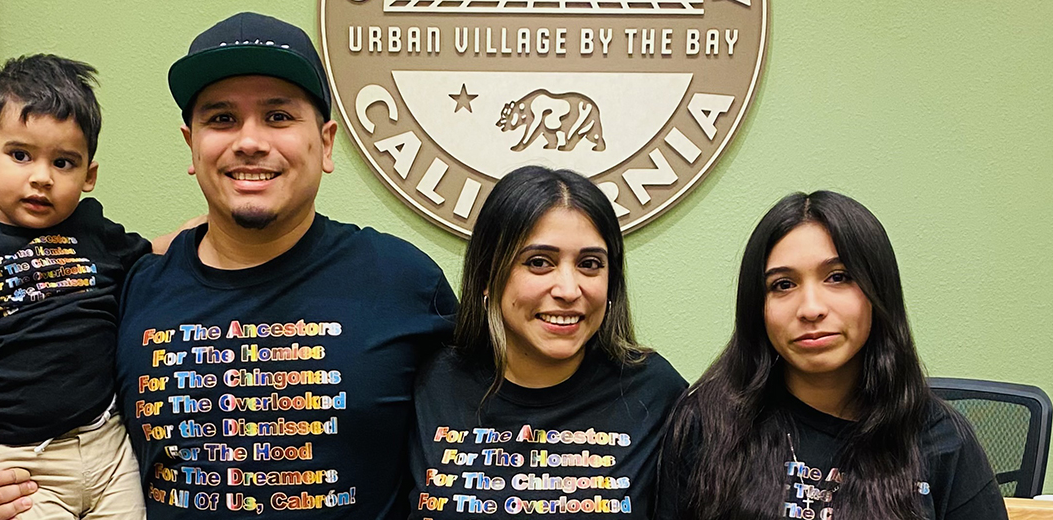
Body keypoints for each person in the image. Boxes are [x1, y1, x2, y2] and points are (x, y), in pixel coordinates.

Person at [0, 12, 458, 520]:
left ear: (325, 143)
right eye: (221, 119)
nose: (248, 141)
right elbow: (44, 420)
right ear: (191, 146)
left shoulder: (405, 284)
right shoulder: (128, 291)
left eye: (278, 117)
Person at [0, 54, 160, 519]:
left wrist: (203, 230)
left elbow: (150, 259)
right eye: (20, 155)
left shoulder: (93, 231)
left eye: (63, 162)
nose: (41, 176)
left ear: (89, 176)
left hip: (108, 445)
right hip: (16, 463)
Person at [655, 191, 1007, 520]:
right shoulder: (708, 424)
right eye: (783, 285)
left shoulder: (941, 439)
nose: (810, 308)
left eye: (838, 277)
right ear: (757, 308)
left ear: (877, 292)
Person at [408, 166, 686, 519]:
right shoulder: (432, 383)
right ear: (487, 276)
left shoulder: (655, 392)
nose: (569, 290)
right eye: (539, 263)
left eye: (589, 264)